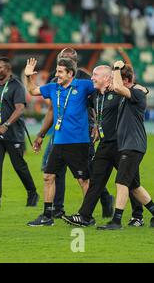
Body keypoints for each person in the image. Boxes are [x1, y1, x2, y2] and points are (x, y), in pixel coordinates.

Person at [32, 48, 114, 219]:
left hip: (81, 132)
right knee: (52, 171)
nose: (61, 65)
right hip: (59, 132)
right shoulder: (55, 80)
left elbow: (97, 102)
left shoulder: (86, 79)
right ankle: (57, 208)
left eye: (66, 61)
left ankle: (103, 201)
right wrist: (41, 133)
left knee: (85, 173)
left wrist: (97, 124)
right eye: (60, 60)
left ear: (74, 64)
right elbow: (53, 109)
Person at [63, 65, 146, 227]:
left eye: (96, 75)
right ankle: (84, 216)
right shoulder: (94, 95)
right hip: (105, 143)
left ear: (107, 78)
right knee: (96, 179)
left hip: (122, 144)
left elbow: (132, 89)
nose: (92, 78)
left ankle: (138, 215)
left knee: (130, 182)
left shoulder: (118, 93)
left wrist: (141, 88)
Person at [25, 57, 94, 226]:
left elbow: (102, 89)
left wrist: (97, 124)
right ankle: (47, 216)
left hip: (78, 142)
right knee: (48, 176)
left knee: (83, 180)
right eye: (57, 71)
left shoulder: (84, 86)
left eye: (60, 72)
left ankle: (87, 216)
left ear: (70, 73)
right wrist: (28, 76)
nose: (57, 74)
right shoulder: (53, 87)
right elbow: (33, 91)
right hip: (59, 141)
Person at [97, 61, 154, 230]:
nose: (114, 84)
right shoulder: (131, 92)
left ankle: (116, 221)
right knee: (134, 186)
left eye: (117, 80)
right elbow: (120, 89)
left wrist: (115, 69)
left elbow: (122, 88)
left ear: (126, 80)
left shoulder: (135, 92)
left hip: (133, 145)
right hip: (128, 145)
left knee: (121, 182)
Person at [0, 57, 39, 209]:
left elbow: (20, 108)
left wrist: (6, 124)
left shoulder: (17, 86)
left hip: (13, 133)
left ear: (8, 69)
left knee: (19, 166)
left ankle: (32, 192)